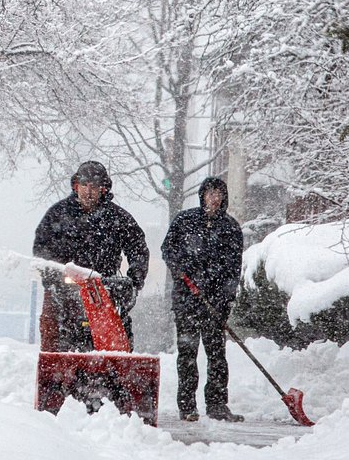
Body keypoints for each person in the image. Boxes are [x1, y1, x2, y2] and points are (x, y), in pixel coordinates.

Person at [33, 160, 149, 351]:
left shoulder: (118, 218)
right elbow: (42, 249)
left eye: (94, 186)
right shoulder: (58, 215)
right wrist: (52, 278)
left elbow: (138, 248)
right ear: (76, 186)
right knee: (53, 325)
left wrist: (134, 280)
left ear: (103, 189)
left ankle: (116, 360)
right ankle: (54, 363)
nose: (88, 191)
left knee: (116, 333)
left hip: (104, 289)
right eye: (84, 185)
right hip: (63, 287)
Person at [161, 176, 245, 422]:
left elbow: (233, 270)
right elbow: (168, 249)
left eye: (218, 194)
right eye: (209, 193)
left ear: (224, 198)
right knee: (187, 353)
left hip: (215, 304)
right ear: (202, 196)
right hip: (186, 300)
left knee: (216, 355)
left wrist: (224, 301)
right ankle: (187, 406)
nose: (214, 198)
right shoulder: (185, 221)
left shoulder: (230, 228)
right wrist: (181, 269)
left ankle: (217, 405)